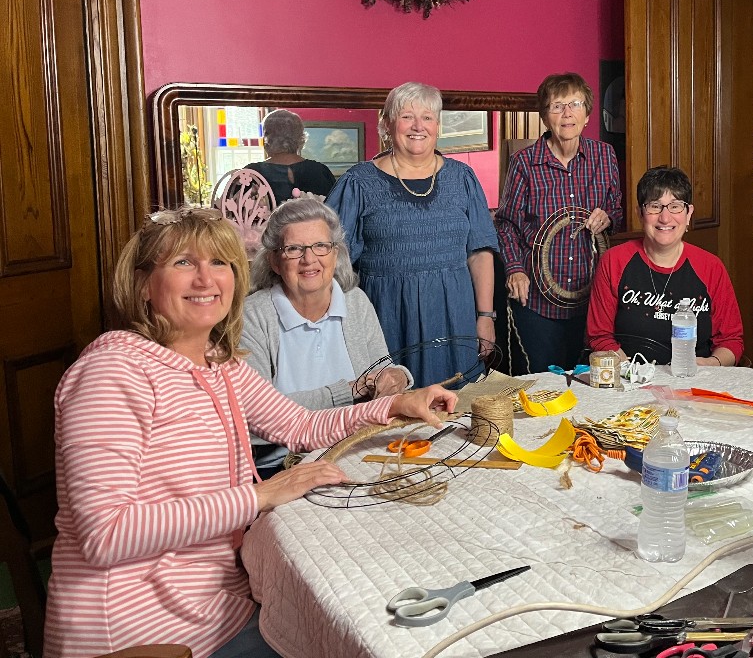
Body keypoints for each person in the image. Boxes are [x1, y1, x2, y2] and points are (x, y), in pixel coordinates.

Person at [44, 206, 456, 658]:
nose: (206, 280)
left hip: (215, 603)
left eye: (219, 262)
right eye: (184, 263)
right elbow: (106, 534)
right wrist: (261, 496)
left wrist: (395, 404)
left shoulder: (218, 363)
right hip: (140, 632)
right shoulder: (113, 371)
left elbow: (300, 425)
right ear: (143, 284)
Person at [326, 82, 499, 387]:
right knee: (392, 416)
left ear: (438, 126)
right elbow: (333, 264)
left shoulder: (463, 178)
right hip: (386, 318)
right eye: (407, 116)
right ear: (387, 125)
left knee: (458, 411)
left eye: (428, 117)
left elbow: (480, 252)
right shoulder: (358, 183)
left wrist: (485, 316)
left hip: (453, 314)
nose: (418, 126)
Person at [241, 196, 413, 477]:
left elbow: (381, 372)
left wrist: (398, 377)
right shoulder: (253, 316)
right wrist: (349, 391)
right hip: (283, 466)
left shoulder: (356, 302)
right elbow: (251, 422)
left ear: (336, 253)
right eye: (294, 249)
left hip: (357, 452)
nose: (309, 260)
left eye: (321, 246)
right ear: (274, 260)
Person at [495, 72, 623, 374]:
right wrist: (514, 269)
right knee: (543, 387)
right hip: (538, 304)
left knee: (590, 385)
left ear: (588, 114)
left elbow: (616, 211)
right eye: (557, 106)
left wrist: (607, 216)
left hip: (592, 299)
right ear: (544, 116)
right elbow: (505, 224)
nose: (567, 114)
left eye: (575, 104)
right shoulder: (525, 162)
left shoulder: (604, 156)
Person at [587, 166, 743, 367]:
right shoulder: (613, 261)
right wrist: (632, 373)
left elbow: (731, 340)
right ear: (640, 214)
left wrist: (709, 365)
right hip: (630, 382)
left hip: (696, 381)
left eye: (676, 206)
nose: (665, 218)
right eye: (654, 206)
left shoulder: (711, 267)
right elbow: (599, 336)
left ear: (689, 214)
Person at [244, 109, 337, 205]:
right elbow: (338, 212)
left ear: (267, 138)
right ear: (300, 138)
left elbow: (230, 215)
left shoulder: (250, 173)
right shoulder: (321, 171)